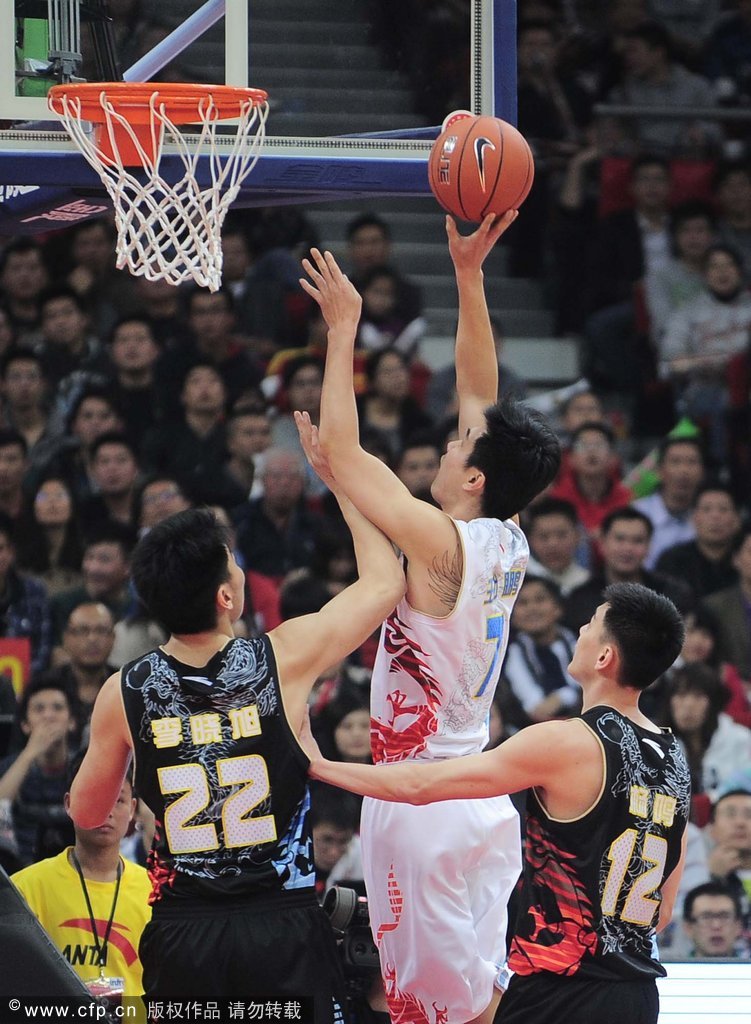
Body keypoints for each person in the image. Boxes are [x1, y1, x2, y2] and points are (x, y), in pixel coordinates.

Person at [298, 211, 561, 1024]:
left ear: (475, 479)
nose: (446, 446)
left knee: (428, 1015)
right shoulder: (506, 534)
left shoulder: (444, 544)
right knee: (479, 1002)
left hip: (419, 807)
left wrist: (342, 332)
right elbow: (478, 391)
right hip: (477, 800)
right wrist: (469, 274)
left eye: (457, 451)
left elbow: (346, 454)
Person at [300, 582, 691, 1024]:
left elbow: (422, 786)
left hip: (559, 992)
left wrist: (319, 766)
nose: (579, 630)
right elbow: (661, 912)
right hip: (638, 996)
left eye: (590, 624)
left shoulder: (565, 741)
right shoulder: (675, 756)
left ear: (604, 657)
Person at [67, 501, 404, 1012]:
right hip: (281, 923)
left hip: (185, 932)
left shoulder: (125, 689)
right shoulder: (283, 656)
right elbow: (385, 583)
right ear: (227, 595)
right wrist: (340, 479)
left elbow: (88, 813)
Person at [11, 752, 151, 1001]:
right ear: (69, 803)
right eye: (94, 797)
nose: (106, 809)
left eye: (117, 800)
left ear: (132, 809)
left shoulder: (154, 892)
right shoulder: (25, 888)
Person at [681, 882, 748, 958]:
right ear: (688, 927)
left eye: (725, 917)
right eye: (706, 917)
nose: (716, 925)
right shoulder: (673, 969)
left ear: (738, 926)